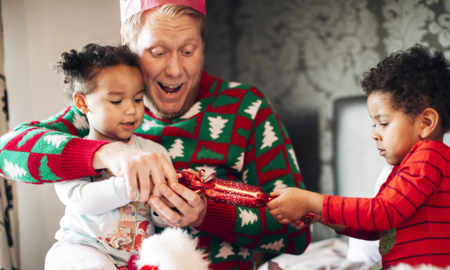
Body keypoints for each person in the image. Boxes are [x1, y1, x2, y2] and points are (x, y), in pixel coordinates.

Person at [0, 1, 310, 269]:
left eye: (188, 51)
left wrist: (206, 215)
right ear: (129, 46)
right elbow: (7, 154)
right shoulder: (103, 112)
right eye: (157, 52)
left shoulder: (246, 108)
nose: (175, 70)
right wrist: (106, 152)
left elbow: (296, 234)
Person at [266, 44, 450, 269]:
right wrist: (322, 216)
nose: (374, 133)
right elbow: (378, 229)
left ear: (426, 122)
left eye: (384, 123)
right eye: (374, 123)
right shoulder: (418, 165)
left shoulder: (429, 156)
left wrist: (313, 201)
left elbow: (381, 213)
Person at [44, 44, 172, 269]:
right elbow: (80, 199)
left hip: (136, 256)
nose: (131, 110)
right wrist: (129, 184)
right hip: (82, 248)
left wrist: (166, 207)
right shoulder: (73, 153)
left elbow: (159, 219)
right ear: (82, 103)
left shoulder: (155, 153)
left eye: (138, 99)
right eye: (116, 101)